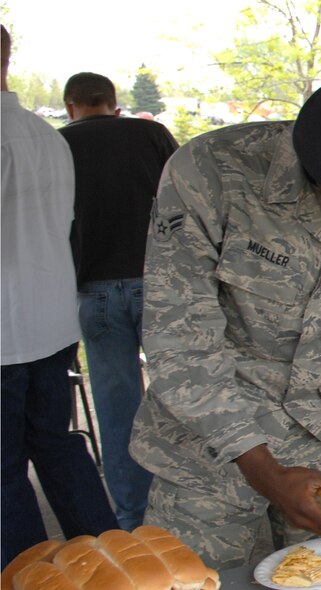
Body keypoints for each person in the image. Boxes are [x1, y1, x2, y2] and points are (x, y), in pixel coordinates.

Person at [128, 74, 321, 569]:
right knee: (188, 579)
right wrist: (263, 469)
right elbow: (181, 340)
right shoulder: (211, 173)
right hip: (209, 453)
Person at [1, 25, 118, 568]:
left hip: (5, 328)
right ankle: (108, 559)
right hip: (49, 319)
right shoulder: (46, 134)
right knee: (57, 443)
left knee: (3, 468)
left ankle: (28, 574)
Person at [58, 72, 179, 531]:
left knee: (117, 410)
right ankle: (186, 505)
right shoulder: (151, 133)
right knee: (183, 397)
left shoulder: (60, 145)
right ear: (115, 103)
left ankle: (132, 516)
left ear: (71, 106)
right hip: (162, 284)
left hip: (95, 288)